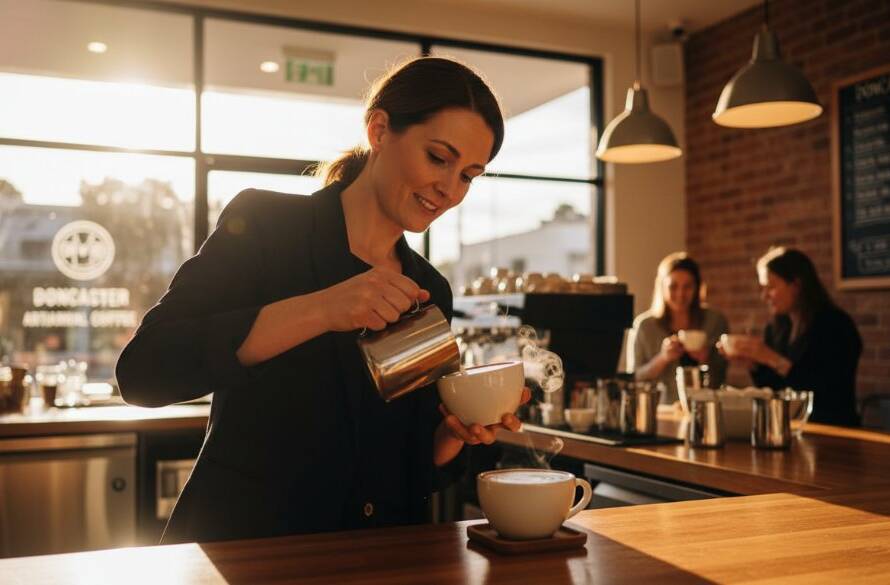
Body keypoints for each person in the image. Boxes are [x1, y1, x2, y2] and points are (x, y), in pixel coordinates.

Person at [115, 57, 528, 544]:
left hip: (374, 557)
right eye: (439, 157)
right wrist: (322, 309)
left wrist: (452, 437)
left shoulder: (427, 288)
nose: (449, 188)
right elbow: (143, 372)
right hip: (246, 552)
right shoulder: (268, 227)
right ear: (379, 130)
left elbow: (412, 465)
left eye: (468, 176)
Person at [721, 247, 862, 426]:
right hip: (788, 427)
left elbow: (827, 391)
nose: (764, 296)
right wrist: (754, 365)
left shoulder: (836, 325)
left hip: (833, 428)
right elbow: (775, 391)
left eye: (770, 287)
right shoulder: (777, 327)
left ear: (796, 285)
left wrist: (771, 358)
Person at [631, 252, 728, 403]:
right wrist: (662, 358)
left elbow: (720, 379)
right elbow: (635, 378)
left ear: (697, 288)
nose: (680, 294)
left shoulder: (715, 321)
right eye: (673, 286)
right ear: (662, 287)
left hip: (703, 407)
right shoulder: (645, 326)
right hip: (659, 411)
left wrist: (706, 360)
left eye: (687, 287)